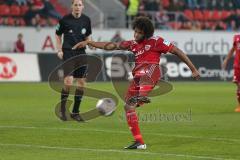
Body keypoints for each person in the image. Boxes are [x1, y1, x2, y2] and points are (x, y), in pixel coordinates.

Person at [73, 16, 200, 149]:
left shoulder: (157, 41)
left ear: (146, 33)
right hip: (138, 77)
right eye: (135, 31)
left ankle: (142, 95)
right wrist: (89, 43)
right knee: (128, 107)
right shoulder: (133, 44)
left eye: (139, 32)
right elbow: (111, 45)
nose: (136, 34)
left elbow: (177, 51)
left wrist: (193, 69)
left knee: (146, 75)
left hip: (151, 71)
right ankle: (139, 142)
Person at [55, 0, 92, 121]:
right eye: (75, 5)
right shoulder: (64, 20)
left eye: (79, 5)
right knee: (68, 82)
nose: (77, 7)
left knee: (82, 84)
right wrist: (59, 50)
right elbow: (57, 34)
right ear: (72, 6)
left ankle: (75, 112)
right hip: (68, 52)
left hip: (81, 53)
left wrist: (90, 43)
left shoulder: (87, 20)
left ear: (83, 7)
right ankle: (63, 110)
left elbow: (88, 35)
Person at [223, 34, 240, 112]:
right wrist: (226, 59)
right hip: (237, 66)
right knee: (238, 86)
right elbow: (233, 49)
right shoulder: (236, 37)